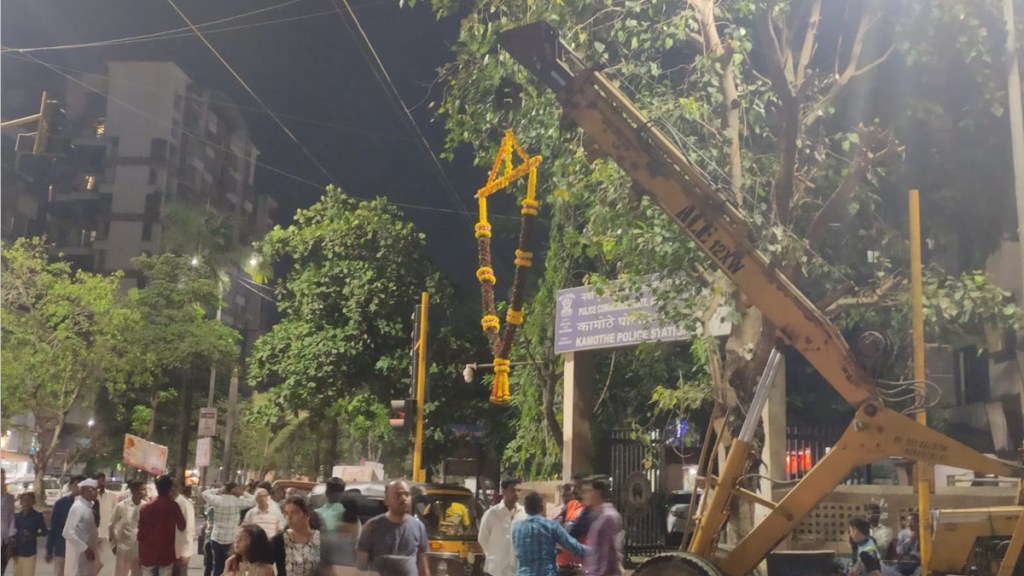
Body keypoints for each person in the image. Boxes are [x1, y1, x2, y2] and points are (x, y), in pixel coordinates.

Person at [357, 480, 430, 576]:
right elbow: (361, 565)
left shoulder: (419, 527)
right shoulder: (372, 526)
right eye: (398, 495)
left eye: (407, 494)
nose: (404, 499)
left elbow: (423, 566)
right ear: (386, 500)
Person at [512, 492, 587, 576]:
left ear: (525, 509)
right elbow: (575, 547)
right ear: (541, 507)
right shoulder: (550, 526)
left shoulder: (516, 527)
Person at [203, 482, 256, 576]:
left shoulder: (217, 500)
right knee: (231, 566)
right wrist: (243, 492)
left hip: (216, 537)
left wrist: (218, 490)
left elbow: (204, 493)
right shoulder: (238, 501)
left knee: (217, 566)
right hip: (231, 539)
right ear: (234, 490)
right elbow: (254, 500)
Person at [138, 475, 186, 576]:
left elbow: (140, 534)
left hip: (148, 553)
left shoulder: (145, 507)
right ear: (170, 488)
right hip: (166, 553)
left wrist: (140, 554)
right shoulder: (173, 506)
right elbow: (182, 526)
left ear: (156, 488)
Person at [478, 479, 526, 576]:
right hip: (495, 570)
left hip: (517, 570)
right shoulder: (491, 514)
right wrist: (493, 556)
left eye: (519, 490)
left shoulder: (524, 514)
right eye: (513, 490)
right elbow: (483, 538)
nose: (516, 493)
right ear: (503, 492)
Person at [581, 476, 622, 576]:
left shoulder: (607, 518)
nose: (583, 495)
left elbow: (607, 560)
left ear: (597, 492)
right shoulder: (597, 516)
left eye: (588, 491)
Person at [271, 496, 321, 576]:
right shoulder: (279, 540)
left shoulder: (321, 539)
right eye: (286, 513)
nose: (289, 517)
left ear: (307, 514)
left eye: (293, 513)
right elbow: (263, 563)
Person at [63, 477, 101, 576]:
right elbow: (67, 532)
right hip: (79, 552)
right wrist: (85, 549)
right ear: (83, 492)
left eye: (96, 489)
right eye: (92, 490)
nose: (96, 492)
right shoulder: (78, 507)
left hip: (87, 552)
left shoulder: (88, 506)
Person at [48, 475, 85, 576]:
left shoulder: (90, 505)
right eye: (76, 485)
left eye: (81, 486)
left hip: (81, 548)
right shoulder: (61, 504)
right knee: (60, 571)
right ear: (70, 486)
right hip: (62, 546)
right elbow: (53, 526)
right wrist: (49, 548)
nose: (78, 489)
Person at [109, 481, 146, 576]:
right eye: (142, 489)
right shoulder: (121, 506)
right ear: (134, 491)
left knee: (137, 573)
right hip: (123, 547)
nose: (145, 492)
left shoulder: (146, 506)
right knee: (120, 573)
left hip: (140, 547)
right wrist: (114, 543)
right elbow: (111, 525)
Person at [553, 479, 586, 576]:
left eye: (577, 487)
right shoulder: (571, 505)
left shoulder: (588, 509)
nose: (573, 490)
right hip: (562, 565)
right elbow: (555, 524)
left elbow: (571, 532)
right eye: (572, 487)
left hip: (578, 568)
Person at [13, 492, 48, 576]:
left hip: (30, 551)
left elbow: (45, 531)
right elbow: (12, 532)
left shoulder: (37, 516)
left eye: (29, 500)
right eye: (24, 500)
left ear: (33, 502)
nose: (26, 502)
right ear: (21, 502)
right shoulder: (16, 516)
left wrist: (33, 535)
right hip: (17, 551)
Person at [173, 484, 196, 576]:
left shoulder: (184, 504)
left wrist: (186, 552)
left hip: (179, 551)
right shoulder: (173, 503)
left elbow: (189, 529)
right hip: (171, 550)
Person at [95, 473, 120, 556]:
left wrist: (115, 532)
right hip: (95, 534)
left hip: (108, 534)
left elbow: (116, 515)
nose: (101, 483)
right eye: (98, 481)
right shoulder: (91, 496)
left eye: (102, 481)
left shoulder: (112, 495)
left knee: (107, 559)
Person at [2, 469, 15, 575]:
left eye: (2, 478)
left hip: (4, 539)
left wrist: (11, 540)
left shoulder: (9, 498)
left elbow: (11, 519)